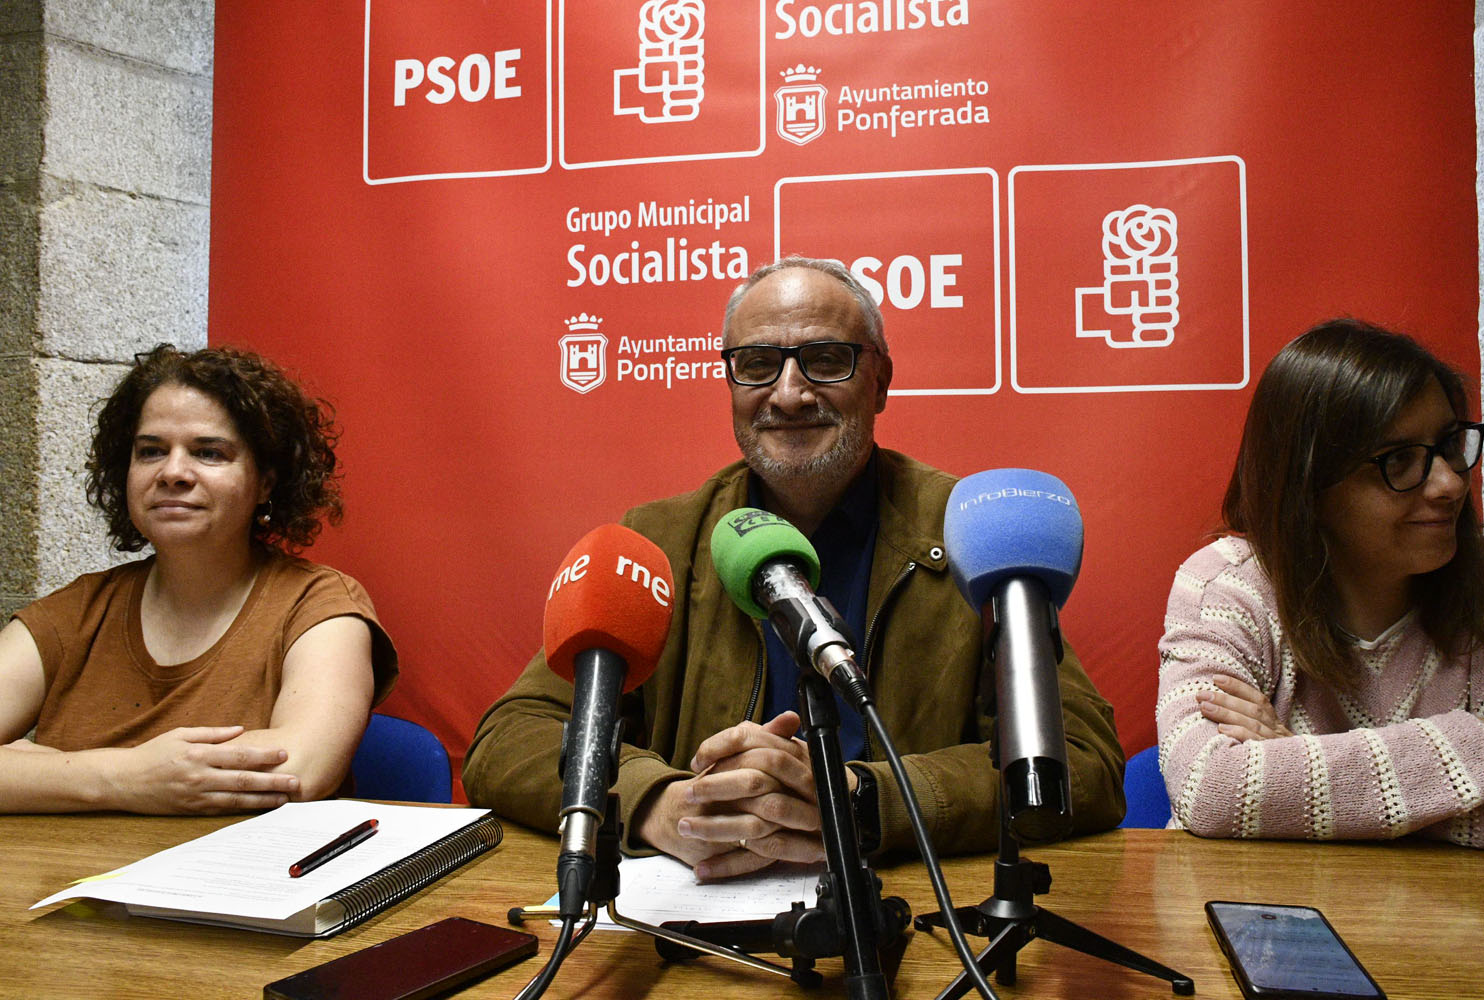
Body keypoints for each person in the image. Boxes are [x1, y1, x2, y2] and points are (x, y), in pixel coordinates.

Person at [465, 256, 1125, 879]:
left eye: (825, 360)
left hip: (911, 907)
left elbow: (1083, 764)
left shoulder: (970, 533)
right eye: (756, 364)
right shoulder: (657, 542)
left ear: (882, 381)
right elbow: (510, 737)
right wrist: (654, 802)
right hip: (700, 910)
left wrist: (865, 798)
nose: (788, 393)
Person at [0, 344, 398, 814]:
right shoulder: (75, 611)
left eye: (208, 453)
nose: (172, 473)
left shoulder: (318, 604)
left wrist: (46, 771)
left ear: (266, 482)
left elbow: (299, 771)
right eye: (151, 451)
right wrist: (124, 778)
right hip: (64, 883)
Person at [1158, 319, 1484, 850]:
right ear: (1309, 484)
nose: (1451, 483)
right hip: (1260, 915)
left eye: (1450, 444)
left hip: (1454, 925)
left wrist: (1298, 769)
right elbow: (1213, 789)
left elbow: (1247, 797)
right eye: (1400, 461)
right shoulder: (1225, 588)